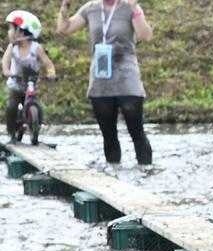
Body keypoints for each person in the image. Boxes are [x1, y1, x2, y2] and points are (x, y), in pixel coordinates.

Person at [56, 0, 153, 165]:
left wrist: (135, 8)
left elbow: (146, 36)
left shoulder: (129, 6)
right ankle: (113, 173)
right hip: (101, 78)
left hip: (126, 76)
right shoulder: (90, 8)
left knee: (136, 130)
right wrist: (64, 8)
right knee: (108, 134)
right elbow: (64, 29)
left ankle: (145, 171)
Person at [4, 11, 56, 141]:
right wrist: (7, 71)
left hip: (31, 83)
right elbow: (5, 61)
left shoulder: (36, 48)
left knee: (36, 103)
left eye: (11, 29)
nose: (9, 32)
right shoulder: (13, 48)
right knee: (11, 106)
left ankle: (36, 124)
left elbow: (48, 63)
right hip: (16, 83)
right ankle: (11, 132)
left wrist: (51, 73)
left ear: (21, 32)